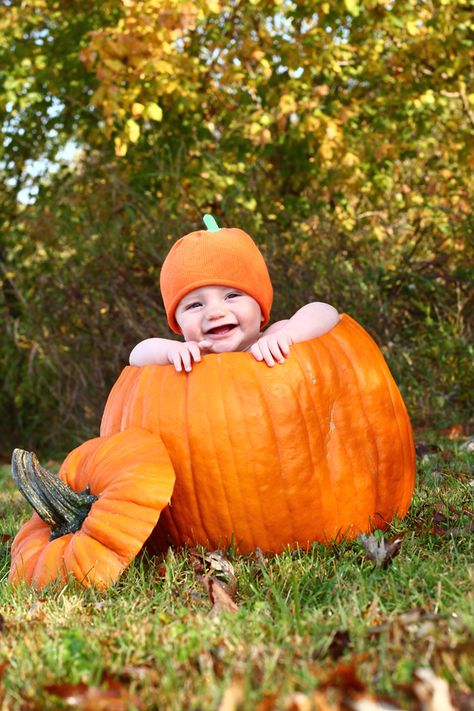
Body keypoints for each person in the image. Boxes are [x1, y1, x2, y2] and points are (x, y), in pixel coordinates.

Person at [129, 217, 340, 372]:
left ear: (259, 306)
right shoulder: (193, 357)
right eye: (194, 305)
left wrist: (288, 336)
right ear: (177, 321)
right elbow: (137, 355)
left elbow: (325, 311)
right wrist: (171, 351)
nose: (214, 312)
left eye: (231, 296)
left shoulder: (273, 338)